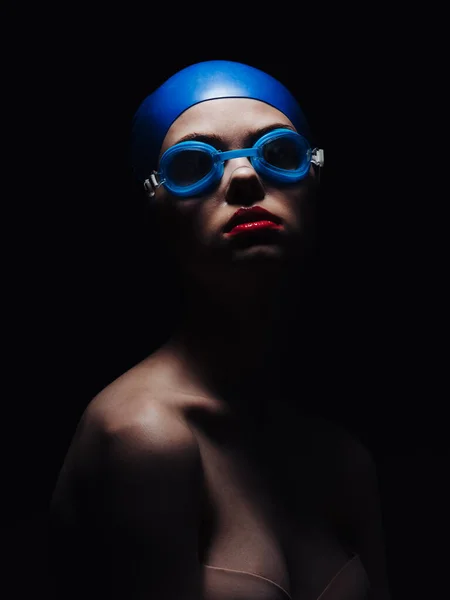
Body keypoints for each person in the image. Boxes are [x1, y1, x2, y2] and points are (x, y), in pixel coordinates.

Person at [49, 60, 391, 599]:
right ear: (153, 202)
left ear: (316, 178)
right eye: (193, 165)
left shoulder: (345, 462)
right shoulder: (146, 437)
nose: (244, 177)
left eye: (278, 154)